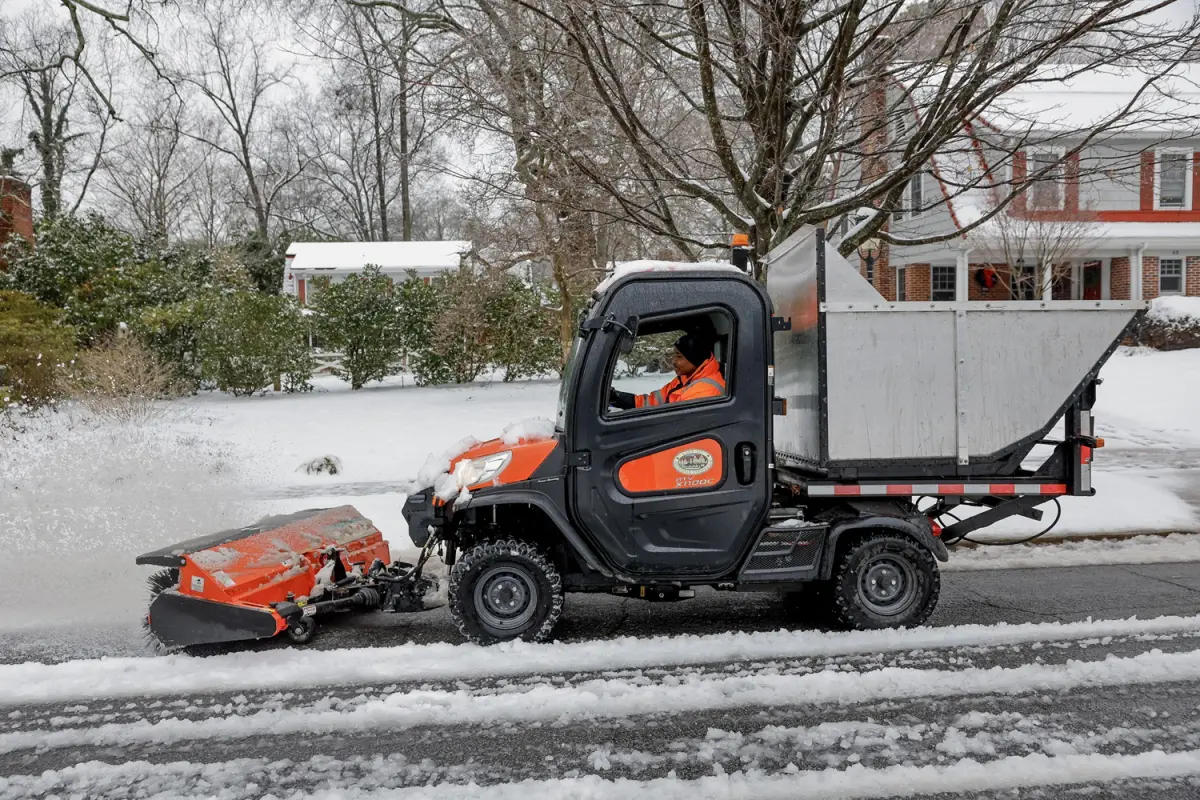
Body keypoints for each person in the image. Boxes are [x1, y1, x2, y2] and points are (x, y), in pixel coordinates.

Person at [609, 333, 725, 410]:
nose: (673, 361)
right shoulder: (686, 379)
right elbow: (653, 401)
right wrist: (618, 398)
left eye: (679, 356)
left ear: (694, 358)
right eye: (674, 355)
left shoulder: (704, 391)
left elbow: (673, 424)